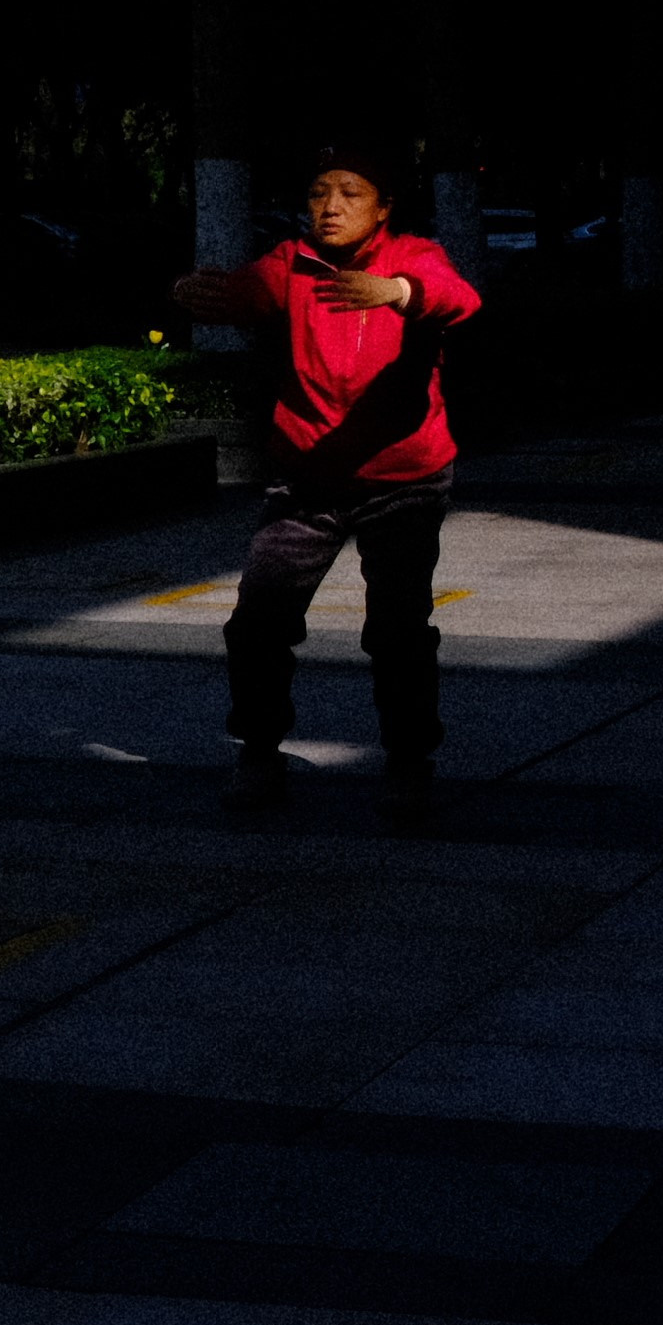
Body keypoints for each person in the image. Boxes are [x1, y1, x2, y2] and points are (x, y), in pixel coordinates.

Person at [175, 149, 481, 822]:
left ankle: (408, 765)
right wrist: (205, 293)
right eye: (318, 193)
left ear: (383, 206)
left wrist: (396, 292)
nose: (330, 206)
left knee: (398, 630)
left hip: (404, 480)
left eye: (349, 193)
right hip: (308, 483)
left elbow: (460, 299)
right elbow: (247, 292)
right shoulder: (293, 263)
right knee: (258, 620)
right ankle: (258, 753)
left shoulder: (414, 255)